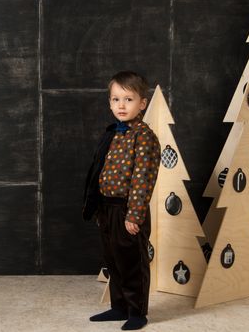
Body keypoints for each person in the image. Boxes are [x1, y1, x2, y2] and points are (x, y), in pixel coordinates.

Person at [82, 71, 161, 330]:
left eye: (128, 99)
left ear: (142, 103)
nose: (121, 105)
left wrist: (134, 215)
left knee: (131, 261)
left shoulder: (144, 136)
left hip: (128, 210)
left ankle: (137, 312)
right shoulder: (114, 133)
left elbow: (143, 179)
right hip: (107, 207)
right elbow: (99, 170)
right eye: (116, 99)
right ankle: (119, 307)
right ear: (109, 103)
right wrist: (97, 208)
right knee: (113, 259)